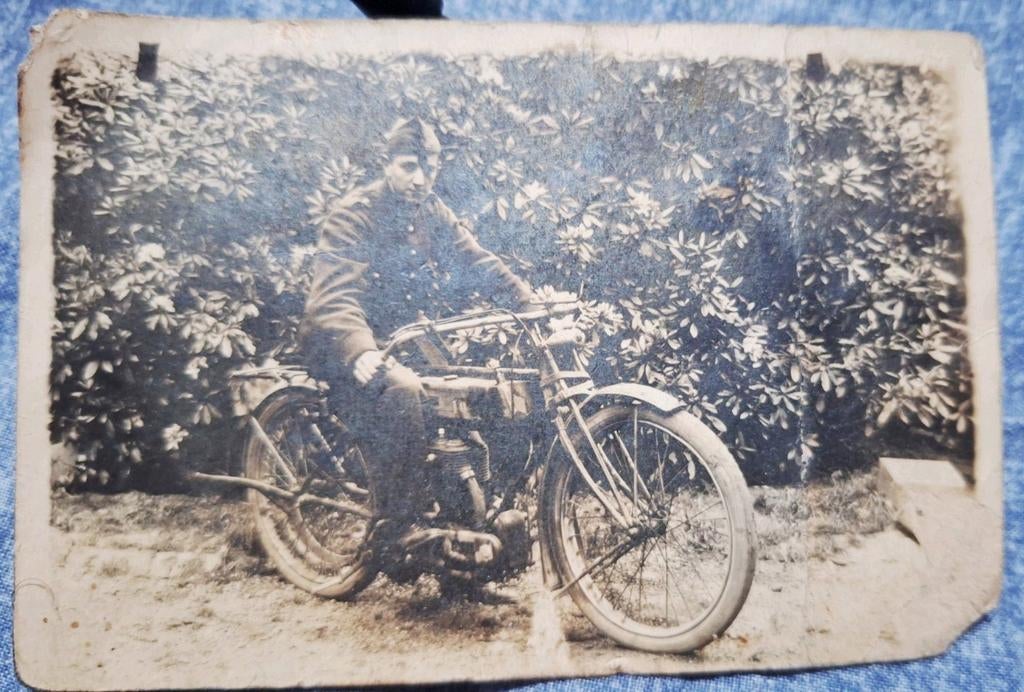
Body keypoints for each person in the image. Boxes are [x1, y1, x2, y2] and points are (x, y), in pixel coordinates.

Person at [299, 117, 535, 554]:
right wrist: (359, 349)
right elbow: (333, 297)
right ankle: (396, 529)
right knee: (404, 391)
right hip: (342, 345)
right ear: (388, 165)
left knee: (474, 393)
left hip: (402, 340)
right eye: (408, 167)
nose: (419, 180)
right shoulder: (354, 214)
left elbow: (476, 259)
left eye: (428, 168)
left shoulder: (432, 212)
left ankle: (463, 533)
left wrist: (529, 302)